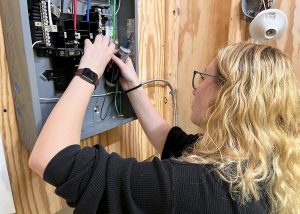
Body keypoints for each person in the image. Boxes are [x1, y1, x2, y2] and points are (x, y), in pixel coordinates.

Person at [29, 35, 300, 214]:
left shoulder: (192, 189)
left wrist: (89, 70)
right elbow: (172, 140)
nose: (196, 89)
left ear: (229, 96)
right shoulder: (259, 166)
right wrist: (133, 86)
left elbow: (50, 158)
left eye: (205, 77)